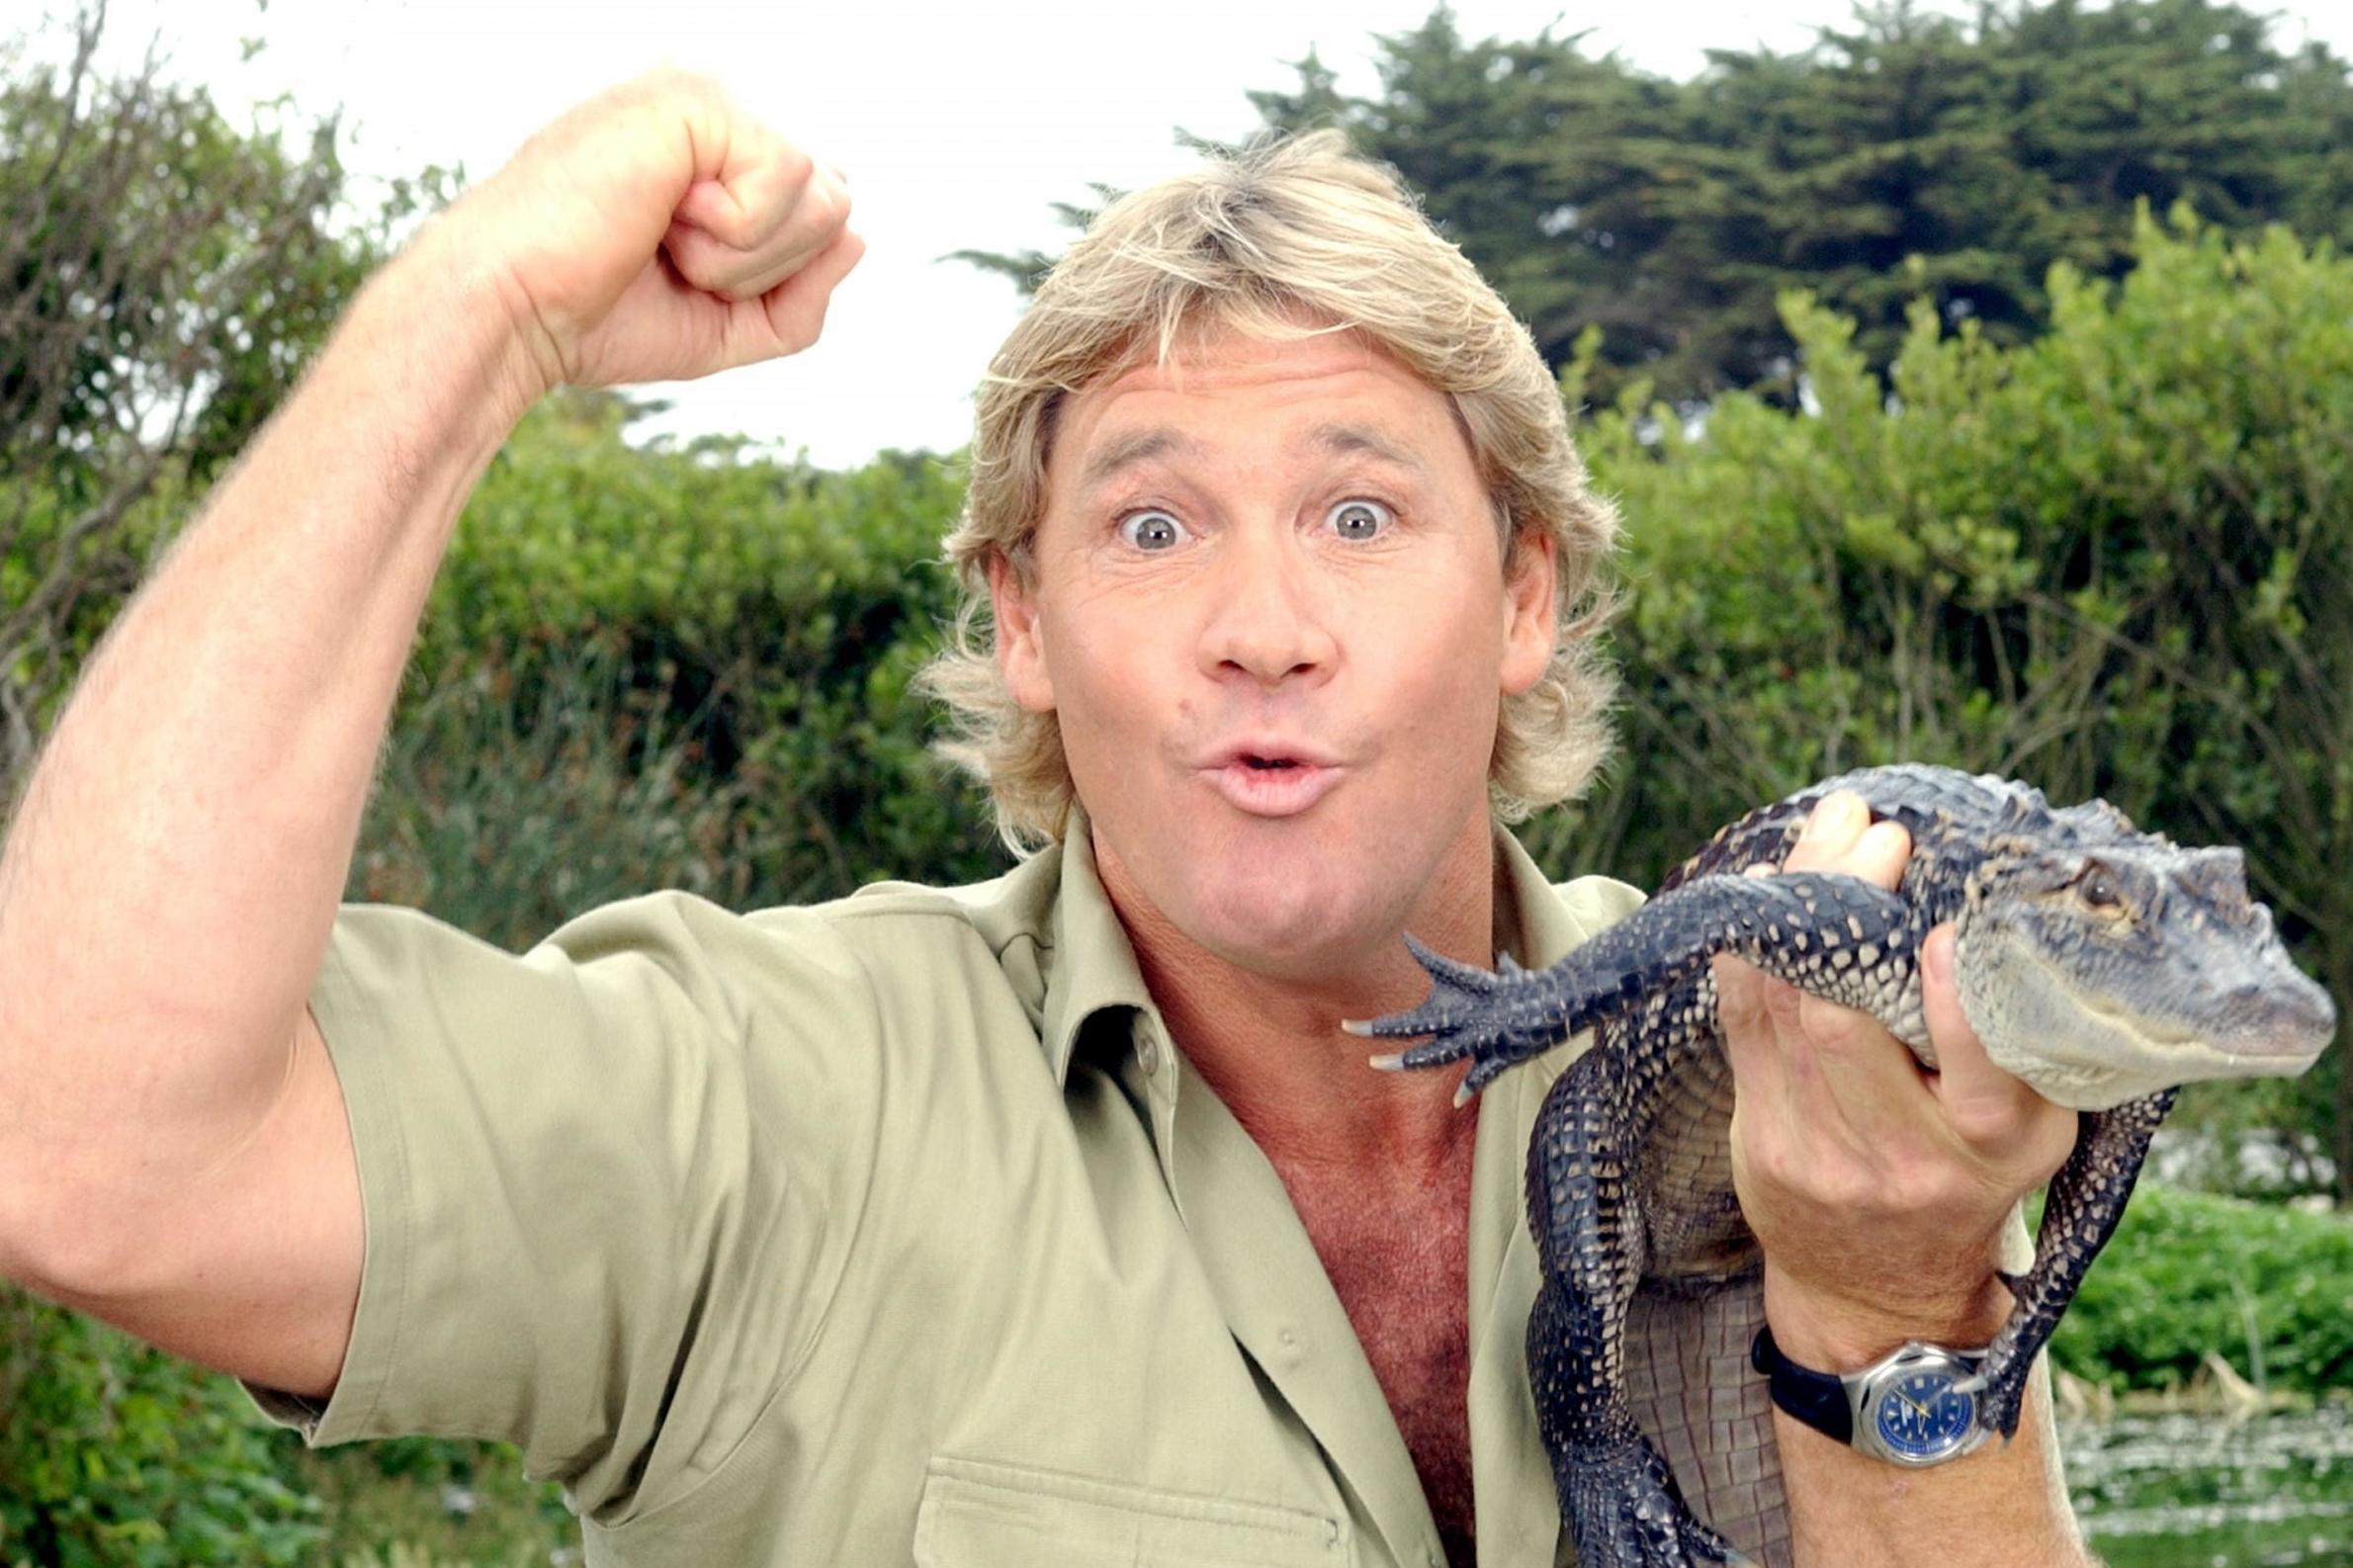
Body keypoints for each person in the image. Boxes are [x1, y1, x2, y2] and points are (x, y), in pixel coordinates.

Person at [0, 70, 2094, 1567]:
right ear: (1021, 618)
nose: (1258, 628)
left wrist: (1883, 1312)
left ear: (1522, 591)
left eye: (1358, 514)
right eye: (1151, 521)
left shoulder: (1785, 1072)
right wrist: (475, 317)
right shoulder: (769, 1109)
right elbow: (90, 1154)